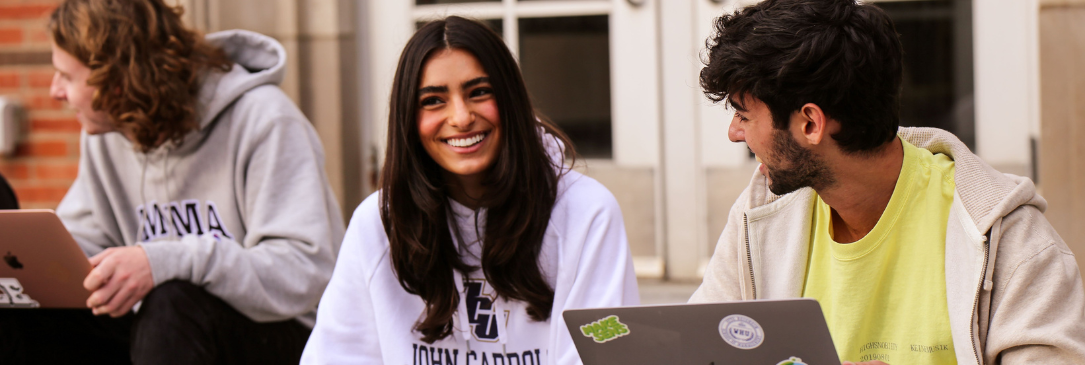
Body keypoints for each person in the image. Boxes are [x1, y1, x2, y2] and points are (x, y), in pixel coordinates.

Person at [689, 1, 1085, 365]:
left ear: (810, 123)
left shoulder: (1008, 239)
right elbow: (694, 351)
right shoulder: (757, 218)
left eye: (744, 115)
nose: (734, 133)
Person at [0, 0, 345, 363]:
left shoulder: (263, 119)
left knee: (172, 301)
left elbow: (305, 272)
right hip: (162, 338)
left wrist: (166, 261)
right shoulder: (106, 134)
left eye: (67, 77)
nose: (55, 91)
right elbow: (88, 241)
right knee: (22, 309)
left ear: (116, 80)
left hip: (281, 337)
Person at [300, 16, 639, 365]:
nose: (461, 117)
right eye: (433, 100)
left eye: (479, 92)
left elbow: (603, 357)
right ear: (408, 118)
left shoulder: (585, 213)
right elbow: (337, 356)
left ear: (511, 99)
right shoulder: (379, 222)